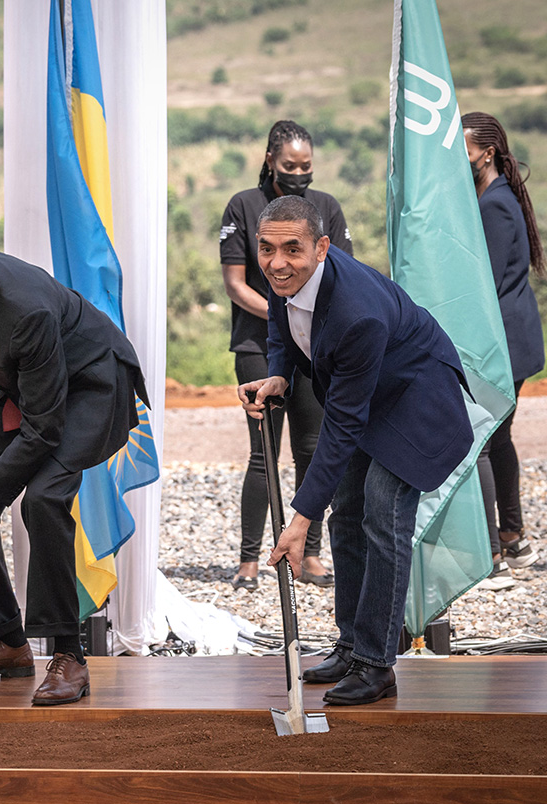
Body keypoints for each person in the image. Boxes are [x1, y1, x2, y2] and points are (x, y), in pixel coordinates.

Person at [240, 196, 472, 706]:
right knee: (345, 512)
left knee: (382, 517)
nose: (277, 262)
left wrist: (300, 519)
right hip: (368, 395)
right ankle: (350, 646)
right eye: (267, 248)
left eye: (292, 249)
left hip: (415, 404)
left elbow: (342, 425)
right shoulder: (284, 275)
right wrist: (280, 373)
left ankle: (376, 664)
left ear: (322, 247)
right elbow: (280, 322)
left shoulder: (356, 313)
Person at [0, 220, 147, 707]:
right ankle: (8, 643)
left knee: (42, 499)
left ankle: (69, 656)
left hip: (91, 386)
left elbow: (44, 430)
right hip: (36, 388)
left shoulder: (26, 310)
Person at [220, 120, 353, 592]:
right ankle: (249, 559)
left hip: (315, 348)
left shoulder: (326, 208)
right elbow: (235, 284)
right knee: (263, 455)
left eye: (305, 166)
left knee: (312, 450)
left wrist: (304, 317)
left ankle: (310, 552)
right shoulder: (243, 205)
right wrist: (283, 309)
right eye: (289, 165)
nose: (298, 173)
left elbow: (343, 275)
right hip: (258, 346)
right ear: (270, 161)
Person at [462, 111, 544, 590]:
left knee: (481, 442)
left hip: (503, 343)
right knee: (500, 437)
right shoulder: (499, 195)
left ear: (487, 153)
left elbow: (486, 283)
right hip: (517, 338)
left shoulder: (493, 204)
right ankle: (514, 539)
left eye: (465, 151)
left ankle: (490, 557)